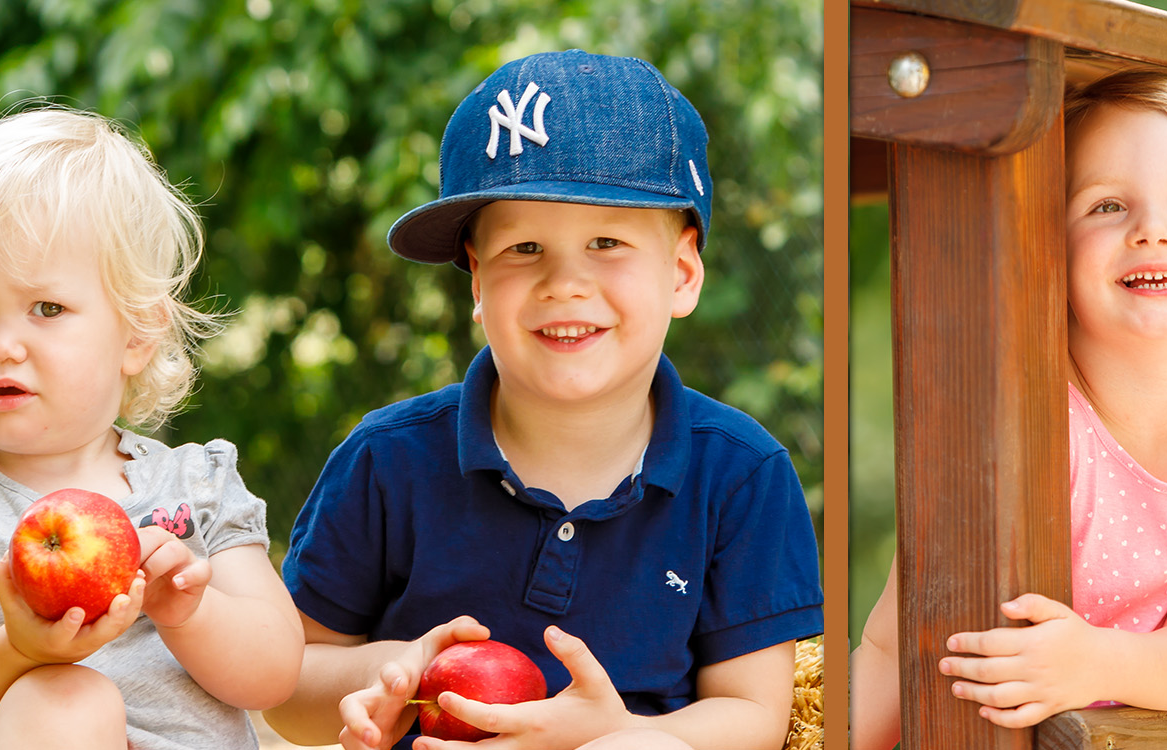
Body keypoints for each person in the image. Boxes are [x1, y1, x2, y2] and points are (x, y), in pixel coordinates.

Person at [268, 50, 822, 750]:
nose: (565, 283)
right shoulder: (386, 461)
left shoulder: (742, 474)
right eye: (525, 247)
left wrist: (618, 739)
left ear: (681, 274)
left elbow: (754, 714)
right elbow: (288, 688)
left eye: (606, 241)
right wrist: (393, 673)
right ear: (475, 281)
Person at [852, 68, 1167, 747]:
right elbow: (893, 643)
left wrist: (1093, 661)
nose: (1152, 230)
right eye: (1108, 205)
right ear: (1053, 253)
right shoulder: (1019, 408)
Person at [0, 107, 304, 750]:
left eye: (46, 308)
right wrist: (19, 650)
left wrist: (190, 612)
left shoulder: (194, 484)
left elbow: (275, 676)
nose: (1, 345)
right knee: (66, 696)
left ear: (137, 334)